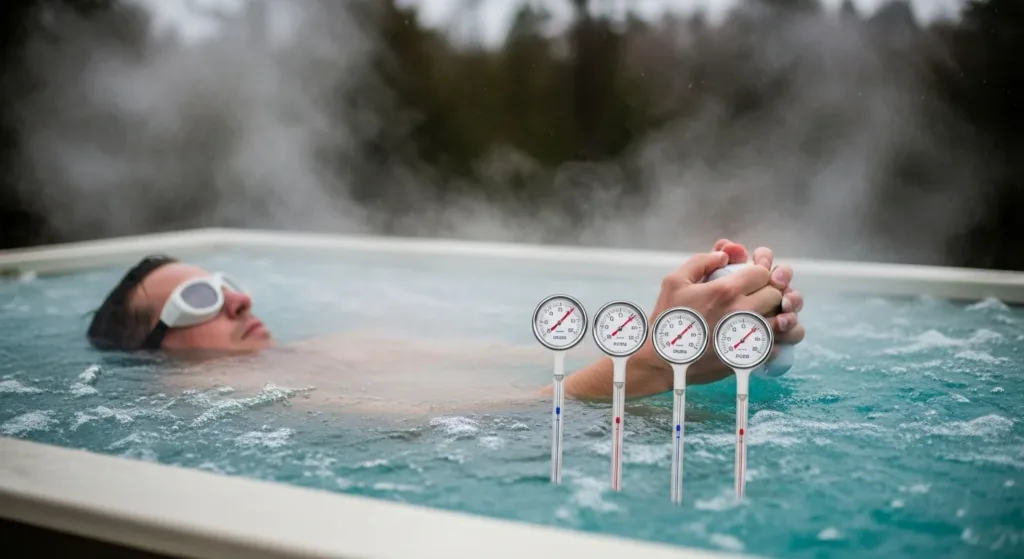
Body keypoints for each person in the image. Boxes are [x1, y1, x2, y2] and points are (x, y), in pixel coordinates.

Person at [85, 239, 806, 413]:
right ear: (154, 351)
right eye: (198, 303)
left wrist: (721, 324)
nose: (236, 301)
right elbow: (454, 424)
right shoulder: (235, 406)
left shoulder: (346, 344)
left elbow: (535, 361)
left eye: (226, 285)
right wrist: (649, 367)